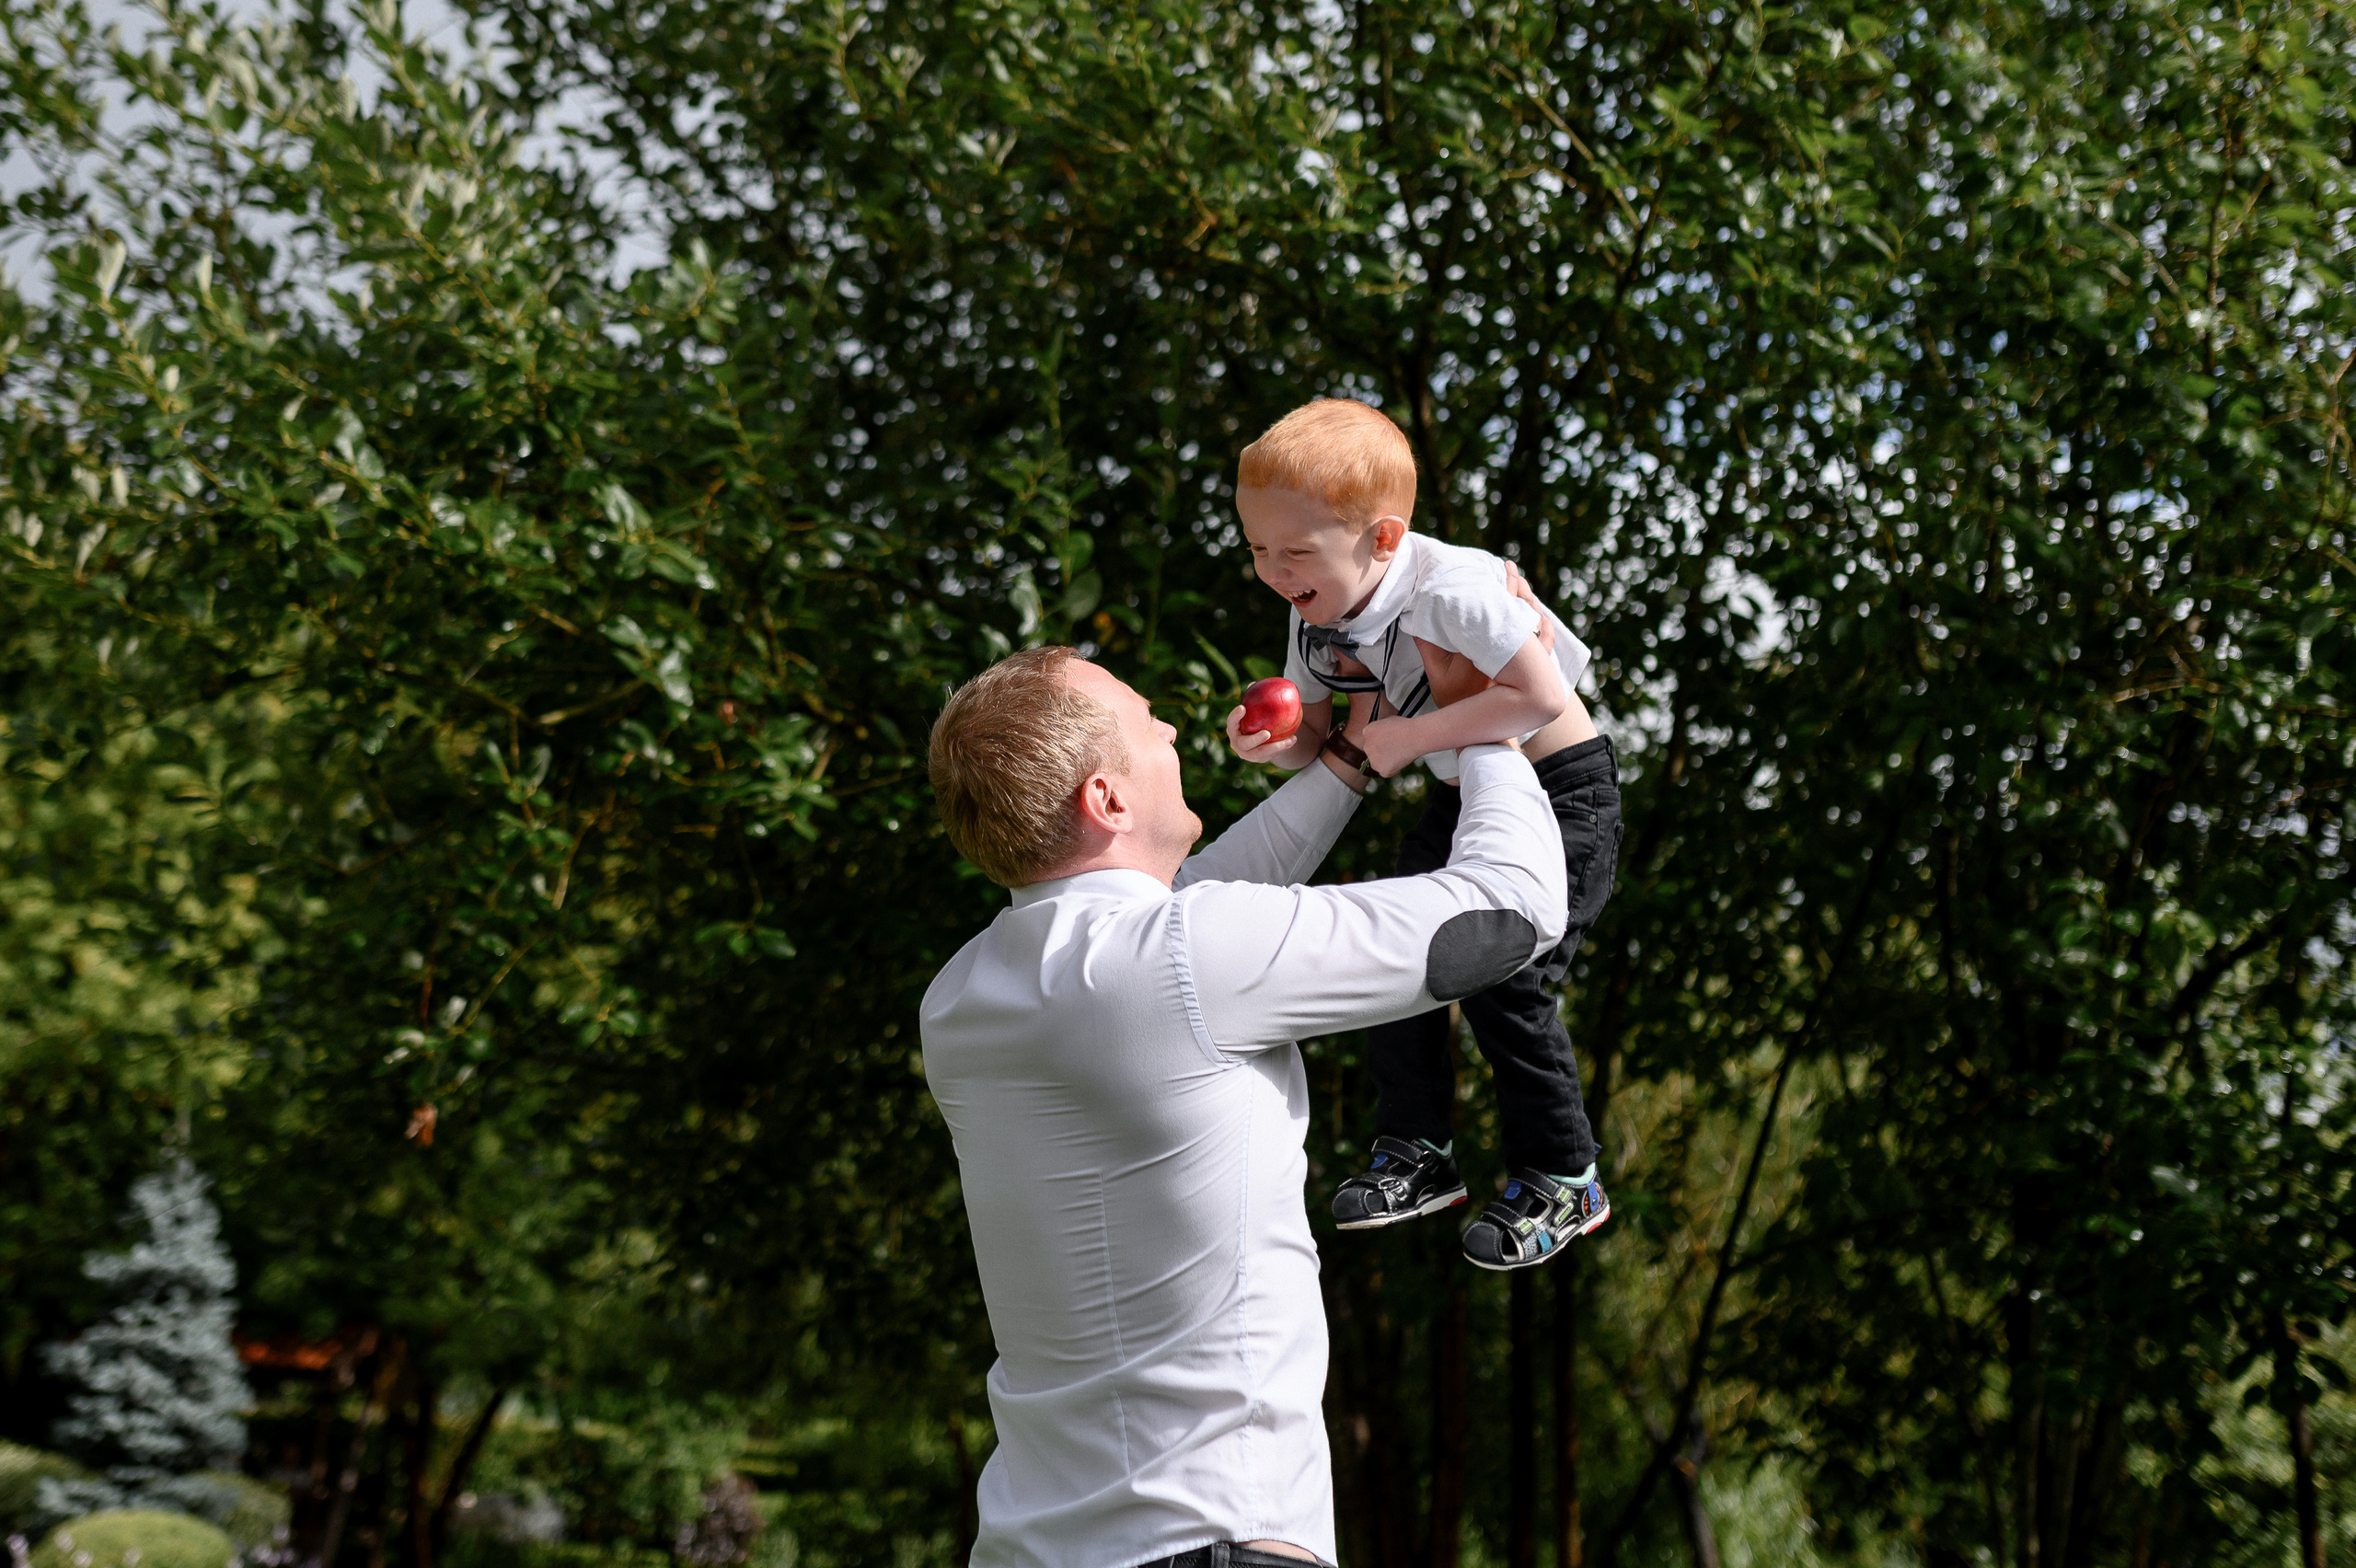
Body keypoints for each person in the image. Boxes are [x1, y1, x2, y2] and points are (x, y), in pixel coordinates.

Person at [921, 646, 1567, 1568]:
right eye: (1147, 724)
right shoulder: (1182, 955)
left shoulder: (960, 998)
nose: (1171, 730)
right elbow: (1509, 913)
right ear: (1106, 799)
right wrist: (1483, 725)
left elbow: (1179, 910)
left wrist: (1349, 763)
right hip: (1207, 1540)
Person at [1221, 397, 1623, 1271]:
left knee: (1508, 977)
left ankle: (1565, 1174)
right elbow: (1318, 736)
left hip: (1558, 794)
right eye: (1256, 549)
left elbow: (1538, 696)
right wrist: (1271, 741)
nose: (1273, 571)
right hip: (1462, 798)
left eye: (1294, 551)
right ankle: (1417, 1148)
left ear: (1383, 539)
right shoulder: (1314, 608)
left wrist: (1408, 737)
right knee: (1397, 959)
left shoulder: (1453, 590)